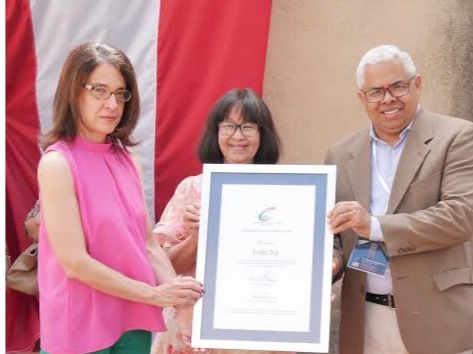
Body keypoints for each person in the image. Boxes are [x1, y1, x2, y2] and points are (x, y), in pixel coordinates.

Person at [37, 43, 203, 354]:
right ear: (74, 93)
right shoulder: (57, 163)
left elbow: (148, 244)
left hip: (132, 320)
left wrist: (177, 298)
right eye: (99, 90)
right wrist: (154, 295)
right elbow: (74, 263)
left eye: (120, 93)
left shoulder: (127, 160)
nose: (112, 104)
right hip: (79, 327)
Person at [327, 44, 473, 354]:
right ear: (362, 98)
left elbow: (462, 215)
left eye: (398, 86)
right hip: (365, 319)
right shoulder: (341, 154)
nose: (388, 99)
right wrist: (334, 260)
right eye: (376, 91)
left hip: (438, 318)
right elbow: (335, 234)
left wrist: (375, 226)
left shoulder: (458, 137)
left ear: (417, 84)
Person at [152, 88, 284, 354]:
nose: (238, 136)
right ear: (216, 132)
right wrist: (195, 239)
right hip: (193, 329)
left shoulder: (283, 193)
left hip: (259, 327)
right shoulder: (191, 189)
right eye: (229, 126)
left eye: (248, 126)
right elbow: (162, 268)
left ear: (262, 134)